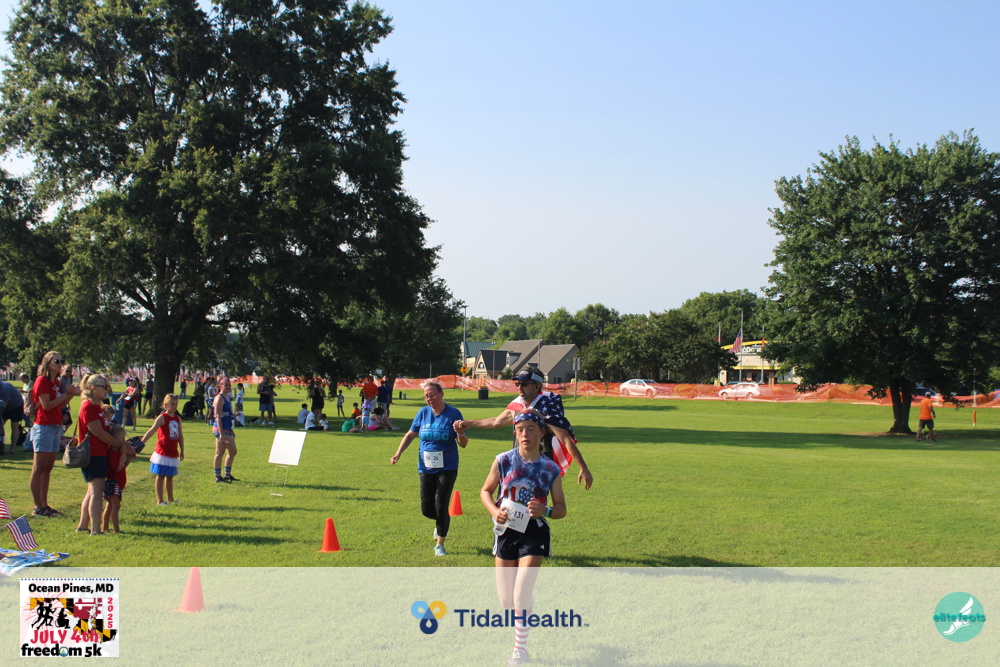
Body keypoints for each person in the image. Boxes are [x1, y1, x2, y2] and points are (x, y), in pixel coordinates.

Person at [480, 410, 567, 667]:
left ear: (541, 432)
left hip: (534, 532)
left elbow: (561, 508)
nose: (525, 434)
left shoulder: (550, 468)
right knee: (507, 601)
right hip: (506, 532)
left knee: (520, 595)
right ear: (515, 433)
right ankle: (526, 602)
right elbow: (485, 491)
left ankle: (520, 651)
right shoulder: (503, 460)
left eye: (530, 429)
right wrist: (495, 511)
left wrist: (546, 510)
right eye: (520, 429)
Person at [455, 369, 593, 490]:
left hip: (538, 464)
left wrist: (584, 468)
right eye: (518, 384)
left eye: (525, 384)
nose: (520, 387)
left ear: (537, 386)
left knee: (533, 503)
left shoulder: (546, 407)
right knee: (511, 500)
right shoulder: (518, 404)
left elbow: (565, 439)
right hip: (517, 461)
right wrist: (470, 423)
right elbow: (496, 422)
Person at [390, 381, 469, 557]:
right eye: (426, 396)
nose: (429, 399)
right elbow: (410, 434)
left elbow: (463, 444)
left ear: (441, 394)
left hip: (447, 465)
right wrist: (398, 453)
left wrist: (461, 432)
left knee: (441, 504)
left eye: (432, 395)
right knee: (427, 508)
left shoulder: (454, 413)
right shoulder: (423, 413)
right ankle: (441, 522)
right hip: (425, 466)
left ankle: (440, 544)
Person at [76, 374, 132, 535]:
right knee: (97, 491)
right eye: (104, 386)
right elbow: (99, 433)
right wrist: (121, 444)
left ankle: (83, 525)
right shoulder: (88, 406)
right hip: (94, 454)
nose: (108, 389)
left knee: (92, 491)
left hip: (101, 453)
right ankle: (95, 530)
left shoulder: (97, 407)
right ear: (92, 388)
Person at [30, 351, 82, 517]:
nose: (60, 364)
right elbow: (46, 405)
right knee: (39, 468)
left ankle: (45, 504)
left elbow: (59, 405)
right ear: (48, 363)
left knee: (48, 468)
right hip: (43, 427)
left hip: (55, 426)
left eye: (61, 361)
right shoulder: (42, 381)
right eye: (56, 361)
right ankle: (38, 506)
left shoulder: (55, 382)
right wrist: (65, 395)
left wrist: (70, 395)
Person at [140, 394, 184, 506]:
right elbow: (152, 430)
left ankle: (171, 499)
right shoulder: (162, 418)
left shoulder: (177, 418)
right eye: (172, 404)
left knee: (170, 476)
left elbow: (180, 435)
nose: (174, 406)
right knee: (160, 475)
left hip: (172, 451)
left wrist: (182, 450)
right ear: (165, 405)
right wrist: (142, 442)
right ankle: (160, 500)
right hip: (162, 451)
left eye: (176, 404)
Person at [102, 424, 140, 534]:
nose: (124, 441)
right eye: (121, 438)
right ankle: (116, 530)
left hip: (119, 482)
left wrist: (129, 457)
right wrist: (123, 455)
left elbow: (123, 466)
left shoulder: (118, 451)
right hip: (113, 482)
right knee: (116, 506)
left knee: (110, 506)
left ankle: (105, 527)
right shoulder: (112, 452)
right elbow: (117, 468)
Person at [213, 377, 238, 482]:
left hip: (227, 428)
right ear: (220, 386)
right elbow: (218, 417)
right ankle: (218, 477)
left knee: (226, 452)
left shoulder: (227, 397)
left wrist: (231, 429)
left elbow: (227, 415)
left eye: (229, 385)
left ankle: (227, 475)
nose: (228, 387)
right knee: (227, 452)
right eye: (225, 385)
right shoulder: (219, 398)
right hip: (221, 429)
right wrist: (221, 433)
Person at [0, 379, 25, 455]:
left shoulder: (5, 388)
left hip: (16, 405)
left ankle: (12, 449)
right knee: (1, 425)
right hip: (4, 405)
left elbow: (4, 405)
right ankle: (1, 446)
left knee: (14, 425)